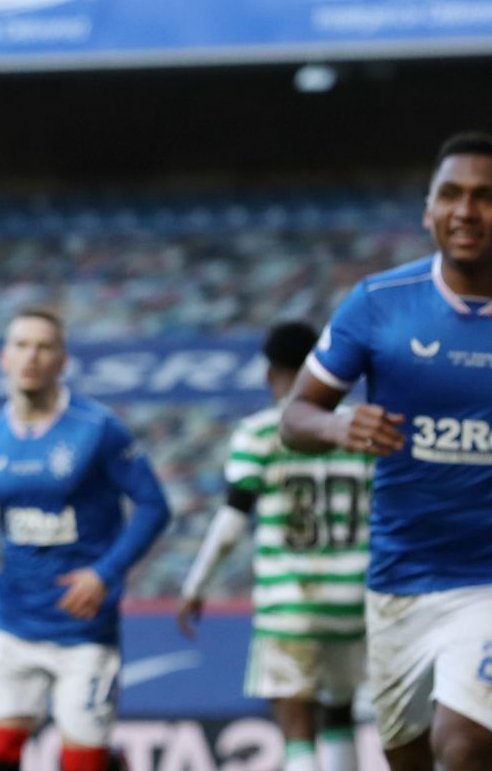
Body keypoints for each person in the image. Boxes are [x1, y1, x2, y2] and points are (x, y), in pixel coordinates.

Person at [281, 132, 492, 771]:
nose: (467, 211)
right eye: (452, 195)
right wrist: (338, 427)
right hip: (401, 578)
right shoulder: (376, 304)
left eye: (488, 198)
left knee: (463, 749)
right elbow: (296, 416)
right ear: (428, 210)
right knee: (410, 758)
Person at [0, 307, 170, 771]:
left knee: (82, 762)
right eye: (21, 345)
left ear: (62, 360)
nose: (31, 356)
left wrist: (105, 574)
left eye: (44, 346)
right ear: (3, 357)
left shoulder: (98, 429)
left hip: (83, 626)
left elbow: (154, 505)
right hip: (13, 619)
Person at [178, 320, 370, 771]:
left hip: (291, 599)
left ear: (271, 374)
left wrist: (195, 586)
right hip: (354, 598)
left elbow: (229, 525)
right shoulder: (359, 430)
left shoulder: (262, 432)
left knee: (294, 716)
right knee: (340, 711)